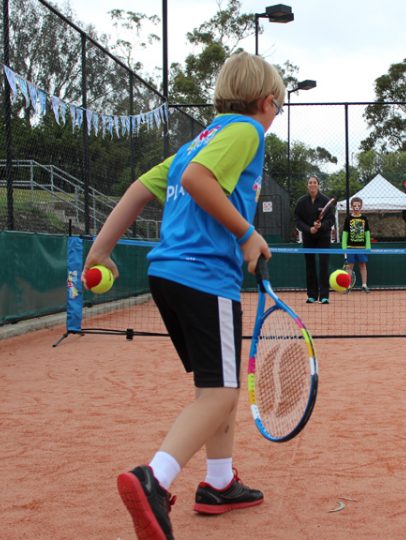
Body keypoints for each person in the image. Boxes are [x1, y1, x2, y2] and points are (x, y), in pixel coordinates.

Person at [83, 51, 283, 540]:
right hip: (203, 276)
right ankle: (155, 479)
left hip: (170, 276)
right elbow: (198, 183)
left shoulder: (199, 139)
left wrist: (98, 254)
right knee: (220, 392)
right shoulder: (245, 131)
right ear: (266, 101)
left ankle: (219, 484)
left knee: (215, 389)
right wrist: (246, 234)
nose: (275, 116)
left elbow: (137, 190)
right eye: (278, 107)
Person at [294, 175, 335, 303]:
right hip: (308, 237)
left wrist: (321, 225)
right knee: (310, 265)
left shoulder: (325, 200)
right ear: (307, 185)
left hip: (324, 236)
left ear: (318, 185)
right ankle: (312, 295)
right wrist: (308, 229)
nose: (312, 184)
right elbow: (298, 221)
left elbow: (331, 220)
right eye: (310, 182)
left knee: (323, 265)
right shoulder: (301, 202)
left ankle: (324, 296)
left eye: (314, 182)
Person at [341, 196, 371, 292]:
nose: (356, 207)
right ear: (351, 206)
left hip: (362, 248)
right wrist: (344, 247)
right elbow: (345, 233)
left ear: (361, 206)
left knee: (363, 265)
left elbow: (367, 232)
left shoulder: (364, 218)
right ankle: (348, 286)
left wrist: (368, 246)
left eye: (358, 205)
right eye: (354, 205)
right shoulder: (348, 218)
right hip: (350, 247)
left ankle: (364, 285)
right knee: (350, 267)